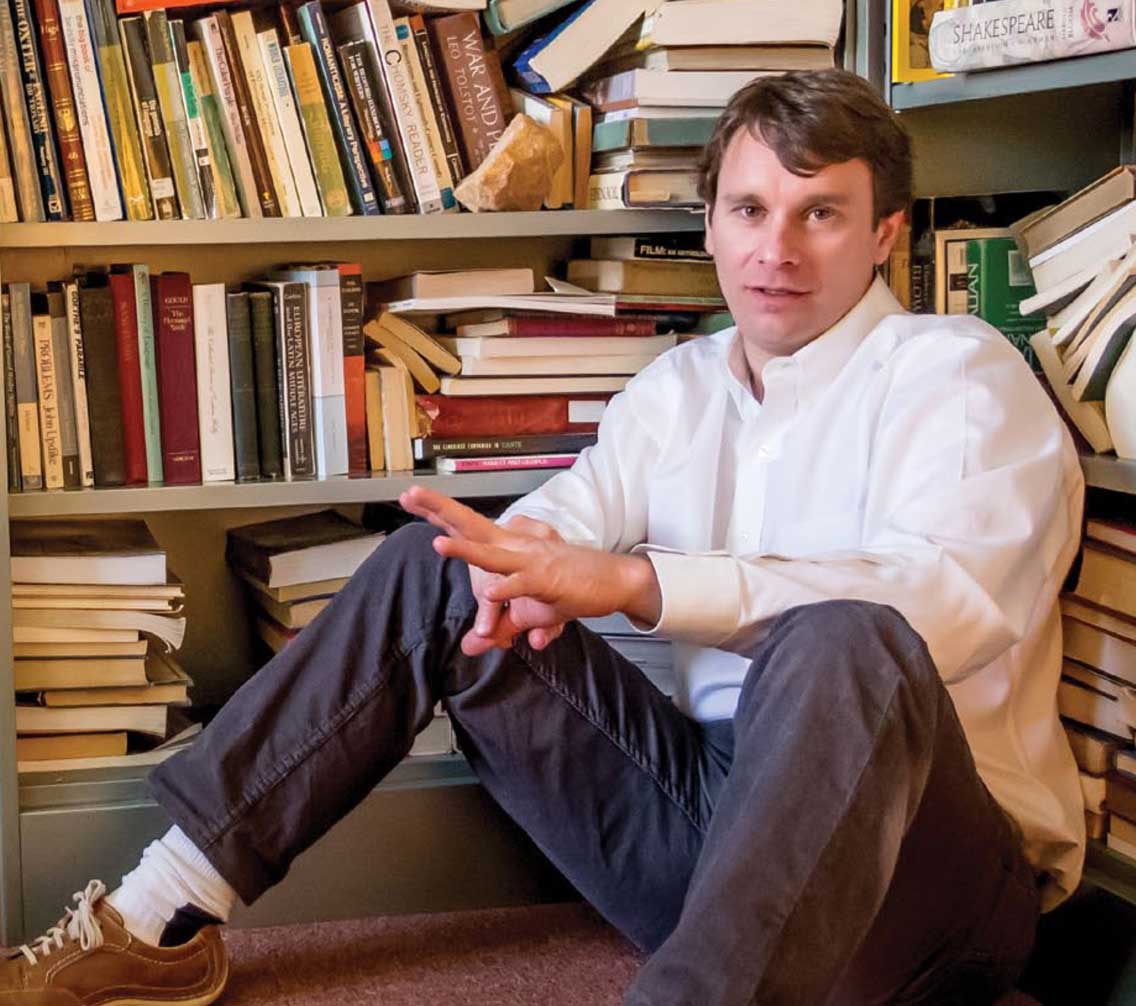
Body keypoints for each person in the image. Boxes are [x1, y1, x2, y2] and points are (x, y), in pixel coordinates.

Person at [1, 68, 1085, 1006]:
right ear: (708, 220)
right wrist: (520, 558)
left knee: (845, 636)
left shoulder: (958, 373)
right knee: (447, 566)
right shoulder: (679, 387)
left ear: (886, 231)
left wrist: (635, 583)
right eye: (748, 210)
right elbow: (569, 518)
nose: (774, 249)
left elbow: (942, 603)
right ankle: (158, 919)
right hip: (716, 843)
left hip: (923, 887)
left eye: (821, 214)